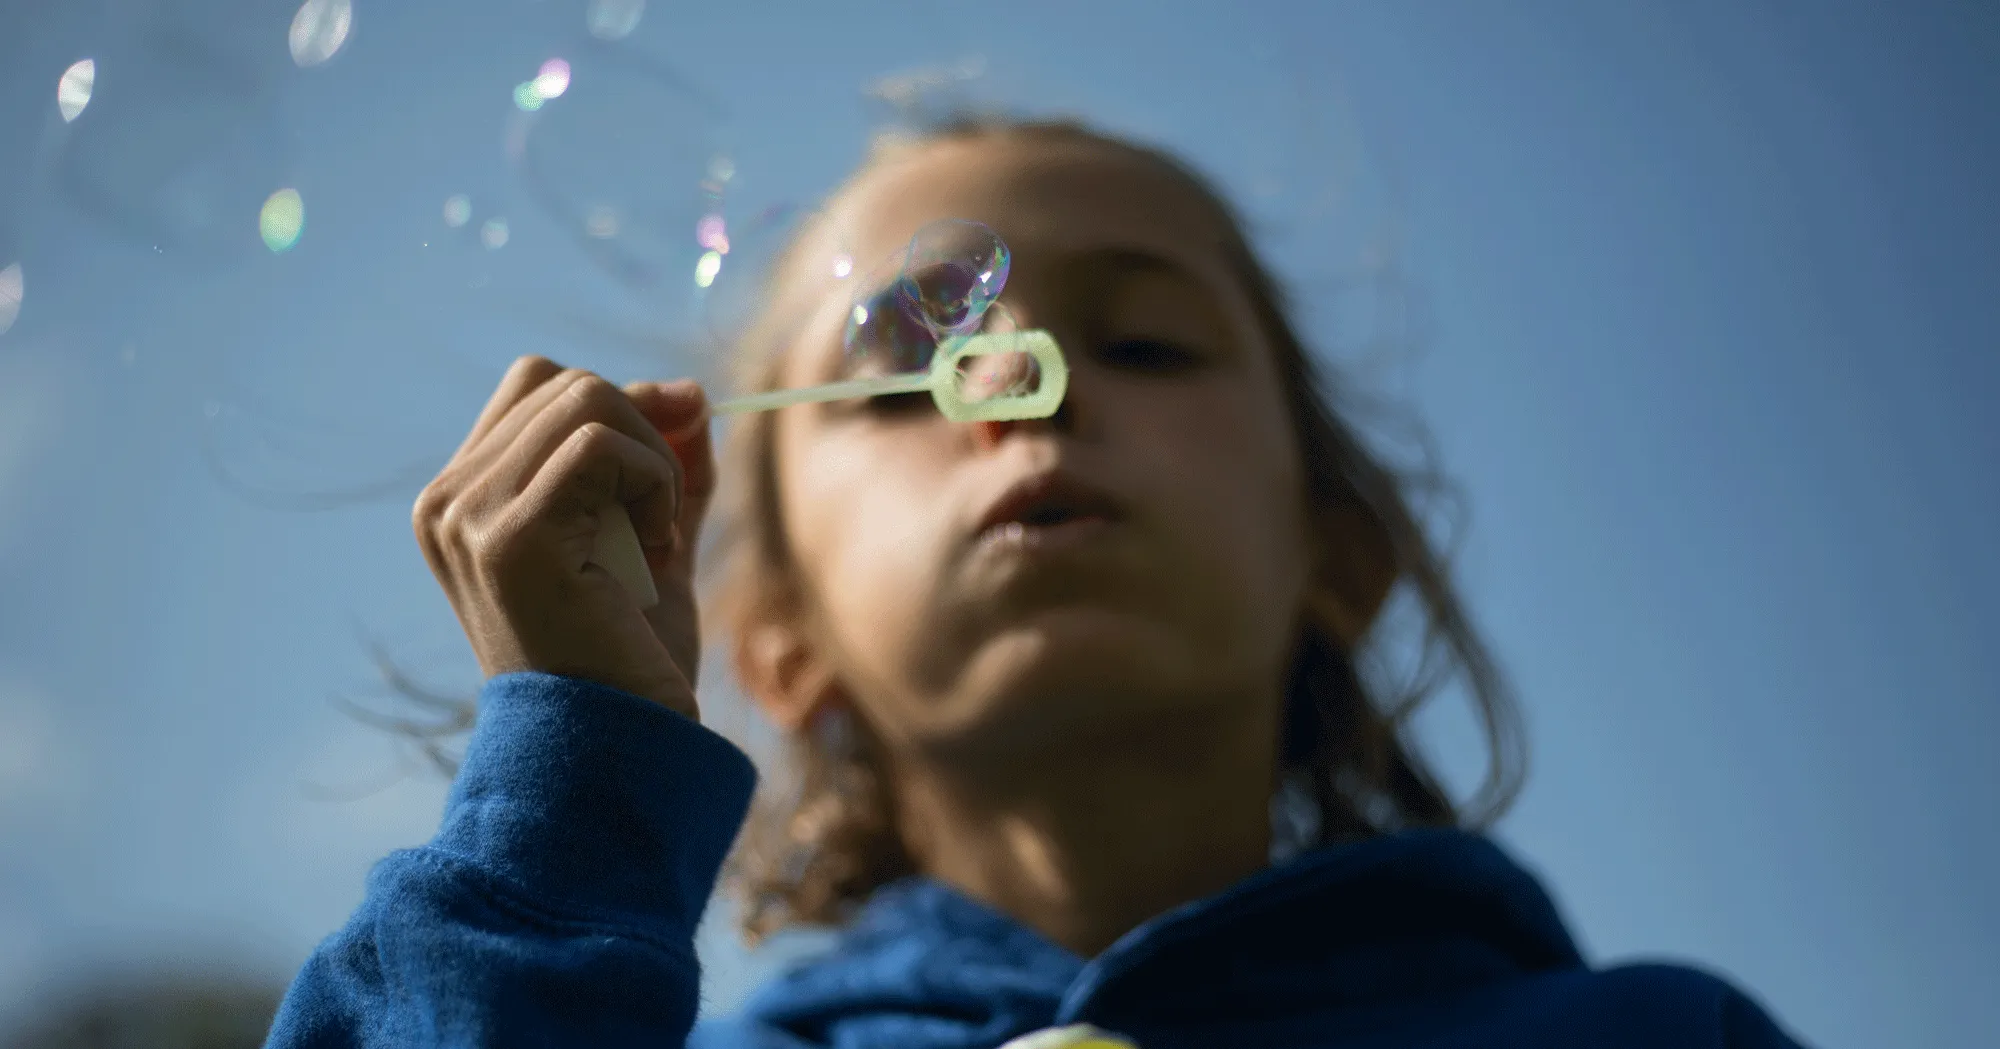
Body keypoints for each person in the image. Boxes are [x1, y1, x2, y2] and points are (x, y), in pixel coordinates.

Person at [262, 116, 1810, 1048]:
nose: (1018, 379)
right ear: (782, 645)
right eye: (904, 377)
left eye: (1144, 345)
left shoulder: (1656, 1036)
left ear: (1333, 556)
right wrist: (567, 805)